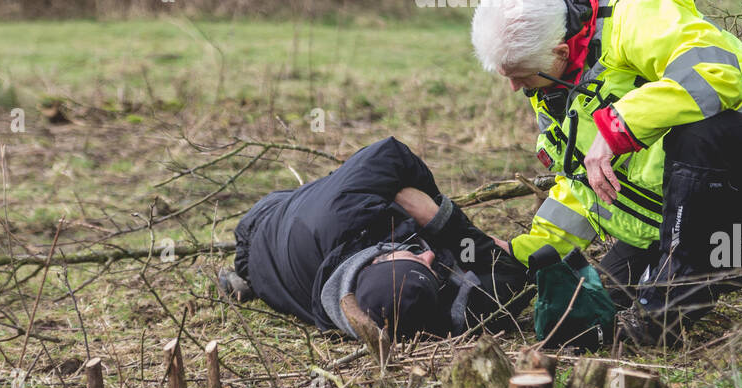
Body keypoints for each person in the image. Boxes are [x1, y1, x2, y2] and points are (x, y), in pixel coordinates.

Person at [471, 0, 742, 345]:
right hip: (682, 192)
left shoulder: (636, 11)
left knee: (695, 137)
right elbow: (582, 183)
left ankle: (663, 311)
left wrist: (618, 127)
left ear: (559, 52)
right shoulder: (548, 83)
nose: (513, 87)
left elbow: (714, 73)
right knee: (603, 297)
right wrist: (527, 252)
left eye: (520, 75)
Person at [218, 136, 530, 347]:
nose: (429, 258)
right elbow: (515, 278)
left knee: (317, 195)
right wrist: (438, 218)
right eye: (427, 269)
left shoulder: (342, 210)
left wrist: (434, 215)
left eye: (414, 258)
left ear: (377, 259)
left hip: (264, 221)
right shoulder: (419, 312)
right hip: (272, 261)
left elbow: (390, 153)